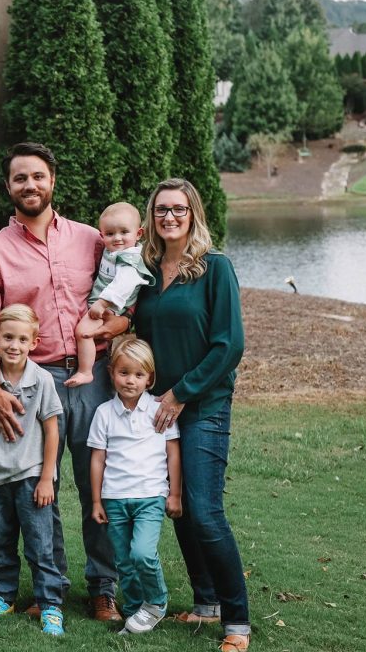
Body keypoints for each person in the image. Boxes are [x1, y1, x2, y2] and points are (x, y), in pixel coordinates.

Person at [0, 141, 126, 622]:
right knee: (42, 484)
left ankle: (103, 587)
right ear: (9, 187)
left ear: (52, 180)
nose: (29, 185)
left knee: (98, 480)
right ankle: (46, 588)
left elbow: (123, 299)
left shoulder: (89, 239)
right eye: (19, 178)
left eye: (37, 176)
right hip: (30, 383)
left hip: (91, 375)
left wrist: (111, 328)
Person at [134, 178, 250, 652]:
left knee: (204, 511)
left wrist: (182, 393)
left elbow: (230, 344)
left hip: (202, 405)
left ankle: (237, 621)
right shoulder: (144, 271)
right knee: (176, 507)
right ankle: (206, 602)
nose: (169, 217)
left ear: (192, 213)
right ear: (152, 216)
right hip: (158, 412)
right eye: (161, 209)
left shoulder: (214, 268)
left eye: (178, 209)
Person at [0, 304, 66, 637]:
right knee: (2, 543)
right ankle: (3, 597)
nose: (14, 345)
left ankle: (50, 604)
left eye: (22, 339)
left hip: (31, 478)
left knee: (40, 545)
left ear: (33, 342)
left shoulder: (42, 379)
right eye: (7, 337)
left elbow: (52, 430)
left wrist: (46, 477)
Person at [87, 335, 182, 635]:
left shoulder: (159, 409)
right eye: (123, 372)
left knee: (142, 553)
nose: (130, 380)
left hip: (150, 497)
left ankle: (157, 601)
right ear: (111, 373)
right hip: (114, 498)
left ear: (149, 378)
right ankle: (134, 609)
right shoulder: (103, 413)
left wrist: (175, 493)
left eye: (138, 374)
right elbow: (97, 460)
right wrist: (96, 501)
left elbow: (173, 453)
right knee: (124, 561)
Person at [65, 202, 154, 387]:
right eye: (110, 234)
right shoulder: (113, 251)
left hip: (110, 308)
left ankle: (85, 371)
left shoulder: (130, 258)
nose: (117, 238)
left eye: (124, 232)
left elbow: (124, 284)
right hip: (103, 304)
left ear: (139, 234)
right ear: (101, 235)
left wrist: (102, 303)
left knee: (83, 333)